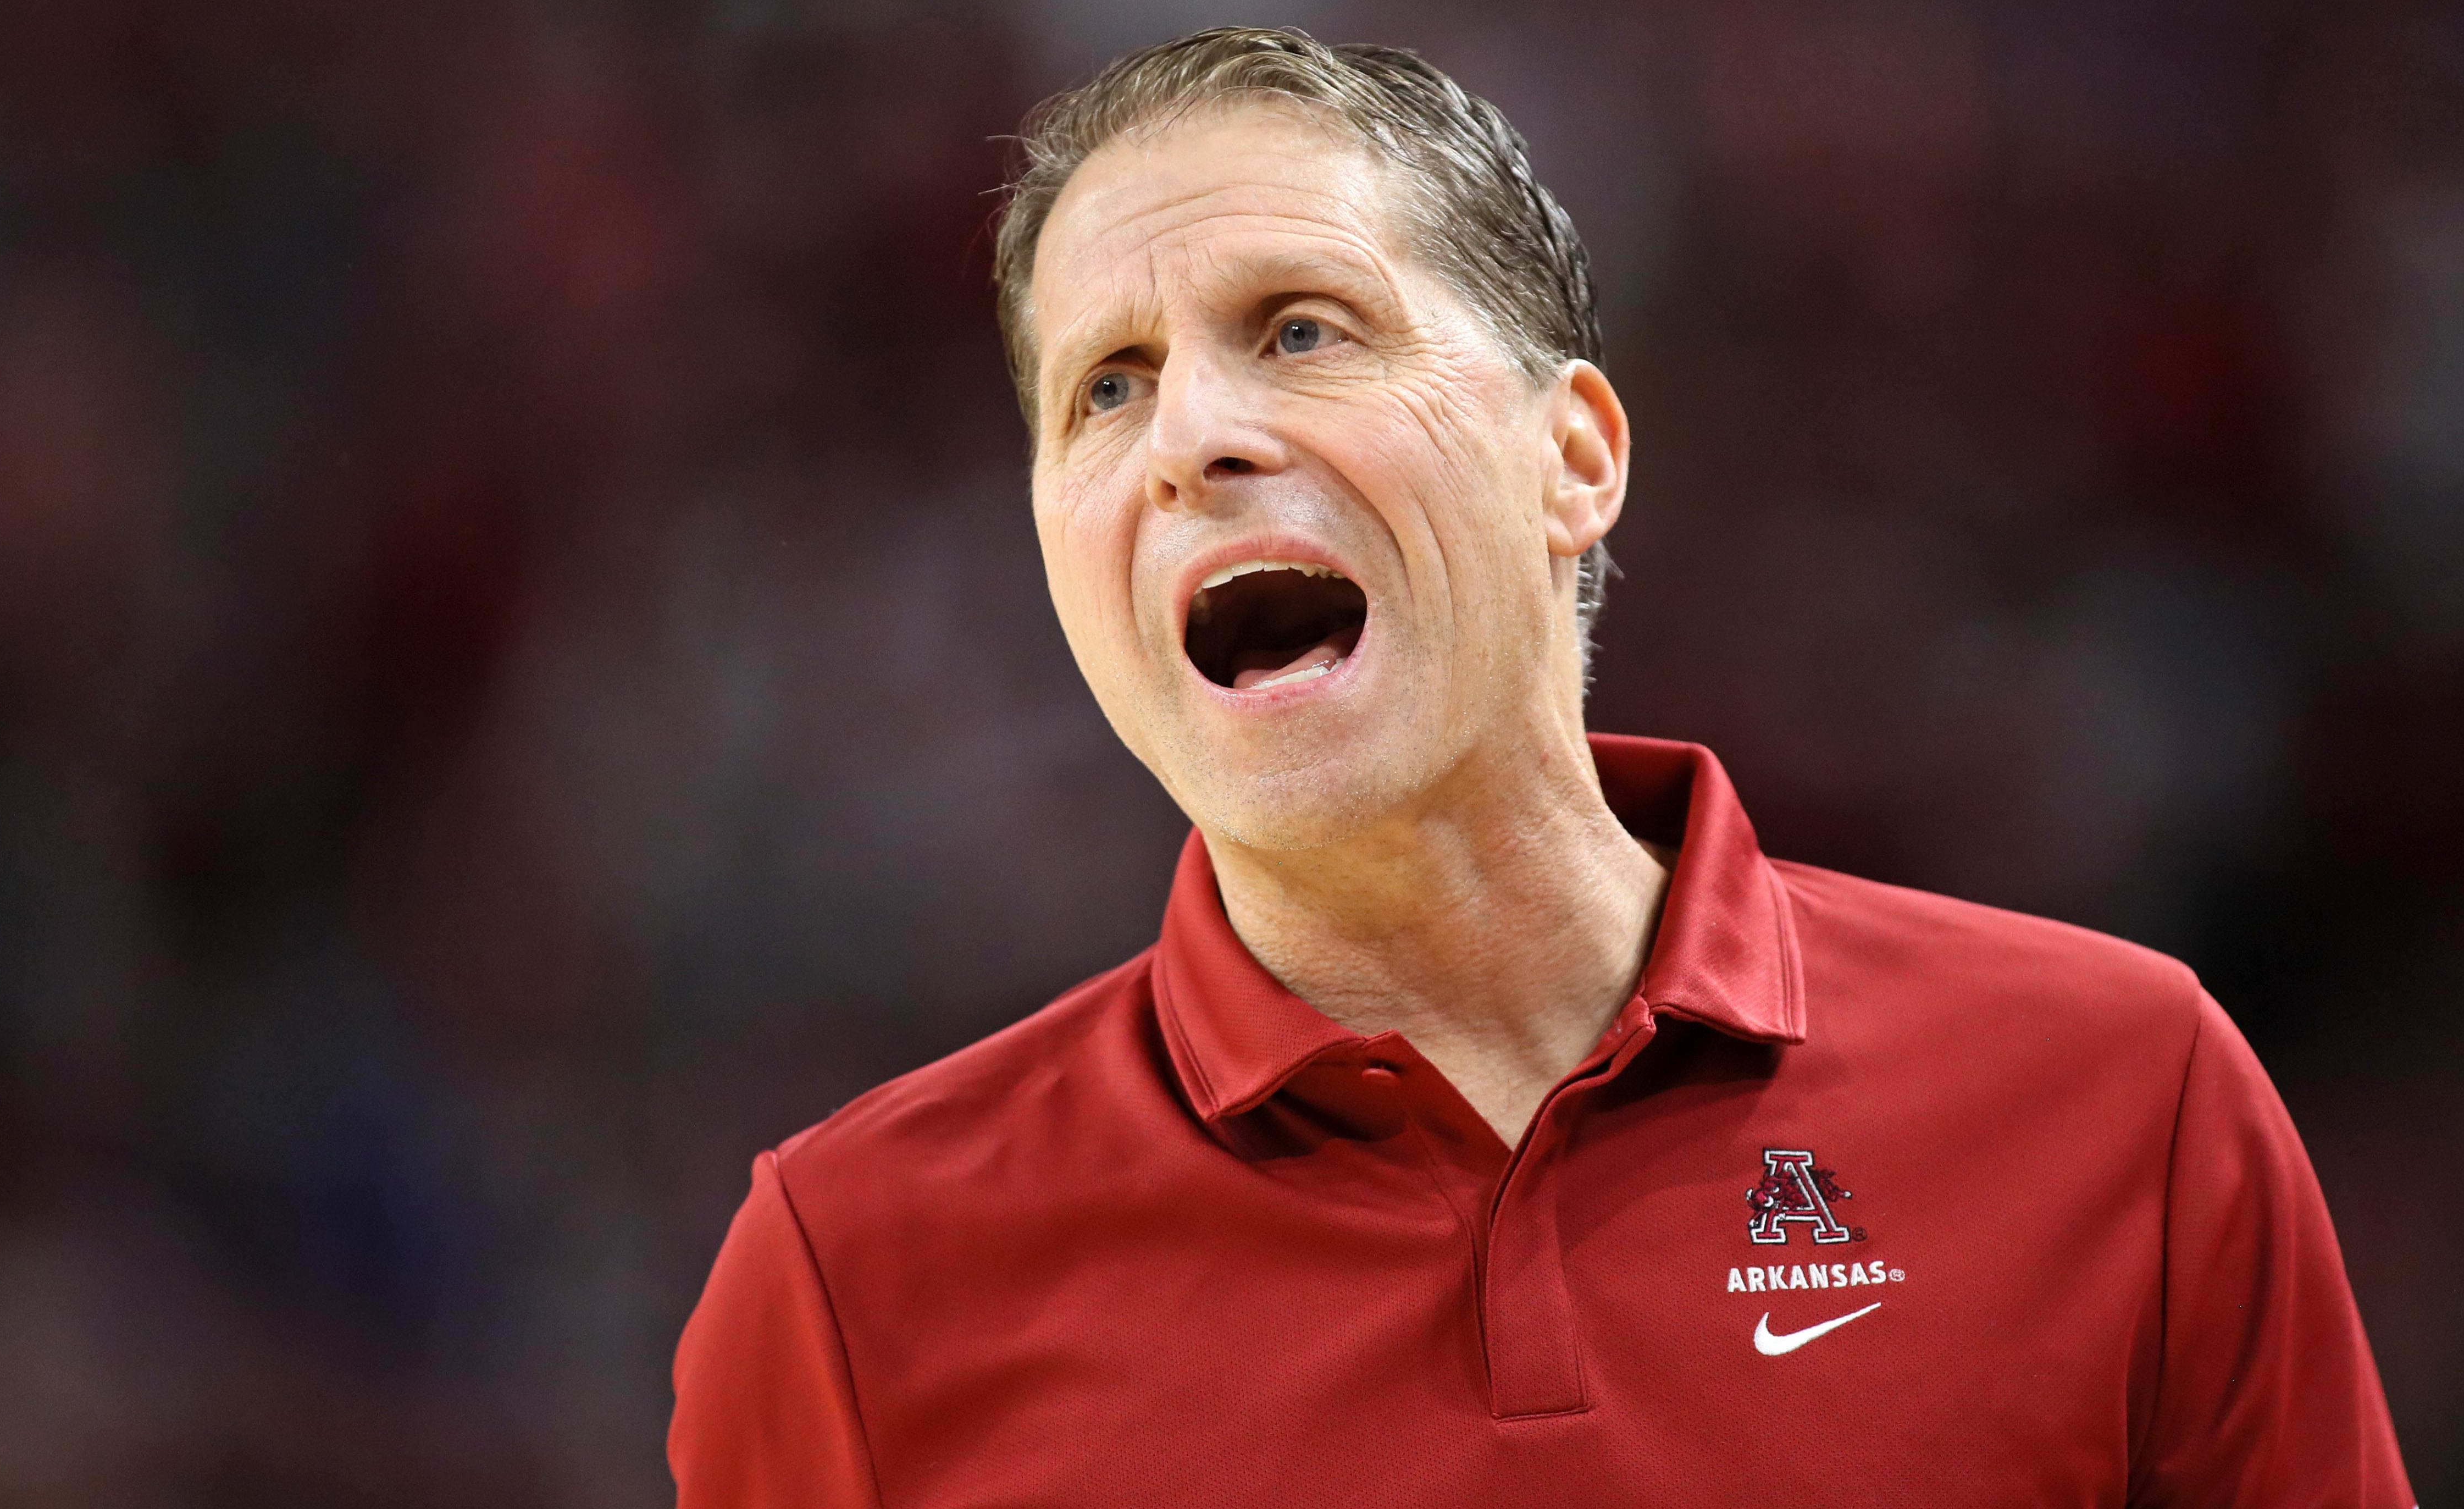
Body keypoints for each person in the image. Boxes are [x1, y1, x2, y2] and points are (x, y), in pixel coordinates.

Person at [668, 26, 2410, 1506]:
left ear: (1571, 456)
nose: (1193, 436)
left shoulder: (2125, 1097)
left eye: (1298, 328)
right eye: (1103, 390)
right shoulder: (850, 1275)